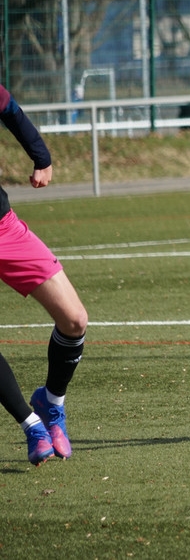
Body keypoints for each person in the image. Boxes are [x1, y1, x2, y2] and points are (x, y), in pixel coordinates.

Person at [0, 84, 88, 465]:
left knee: (74, 319)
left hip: (3, 227)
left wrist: (41, 156)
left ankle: (51, 403)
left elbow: (10, 109)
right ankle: (31, 424)